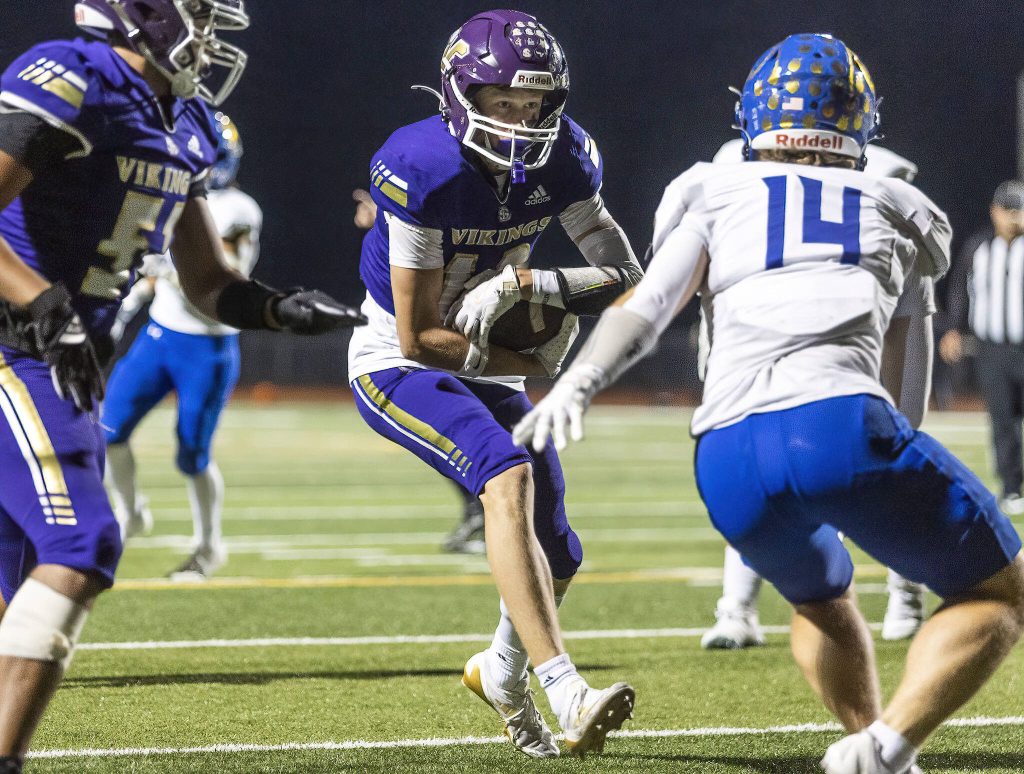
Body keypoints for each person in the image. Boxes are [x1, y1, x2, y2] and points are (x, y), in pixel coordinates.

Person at [515, 33, 1024, 774]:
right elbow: (903, 379)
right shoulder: (898, 200)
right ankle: (886, 746)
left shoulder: (713, 188)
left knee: (820, 599)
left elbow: (650, 304)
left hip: (725, 457)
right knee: (1001, 594)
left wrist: (580, 380)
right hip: (840, 425)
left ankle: (876, 747)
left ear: (754, 114)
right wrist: (886, 475)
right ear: (860, 118)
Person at [0, 2, 364, 769]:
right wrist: (38, 299)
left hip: (72, 359)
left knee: (17, 575)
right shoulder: (72, 77)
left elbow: (207, 281)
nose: (210, 34)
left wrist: (275, 307)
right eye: (197, 13)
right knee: (82, 541)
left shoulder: (187, 119)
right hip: (16, 346)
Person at [347, 10, 643, 758]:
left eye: (533, 105)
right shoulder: (421, 166)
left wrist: (528, 283)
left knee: (562, 549)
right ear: (460, 95)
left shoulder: (568, 159)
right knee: (505, 474)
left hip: (480, 343)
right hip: (398, 361)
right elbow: (421, 337)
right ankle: (566, 689)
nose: (520, 121)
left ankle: (502, 675)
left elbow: (628, 278)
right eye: (502, 102)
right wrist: (528, 361)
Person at [700, 140, 928, 648]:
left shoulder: (888, 174)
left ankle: (904, 589)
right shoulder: (730, 166)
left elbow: (906, 300)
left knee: (893, 451)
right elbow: (711, 284)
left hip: (874, 317)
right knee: (751, 465)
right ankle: (736, 606)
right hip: (770, 328)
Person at [102, 111, 262, 580]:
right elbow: (141, 269)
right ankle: (130, 513)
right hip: (158, 336)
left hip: (207, 345)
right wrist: (124, 307)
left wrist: (164, 264)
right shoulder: (161, 193)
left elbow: (227, 276)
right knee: (107, 431)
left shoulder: (237, 207)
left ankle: (209, 547)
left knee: (192, 452)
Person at [353, 187, 486, 555]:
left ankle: (492, 514)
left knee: (485, 449)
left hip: (431, 339)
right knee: (466, 445)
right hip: (422, 339)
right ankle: (484, 512)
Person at [940, 180, 1024, 515]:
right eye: (1008, 209)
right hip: (992, 349)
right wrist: (954, 330)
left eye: (1019, 209)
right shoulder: (978, 248)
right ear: (994, 211)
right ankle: (1012, 488)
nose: (1013, 217)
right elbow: (960, 290)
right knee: (1002, 418)